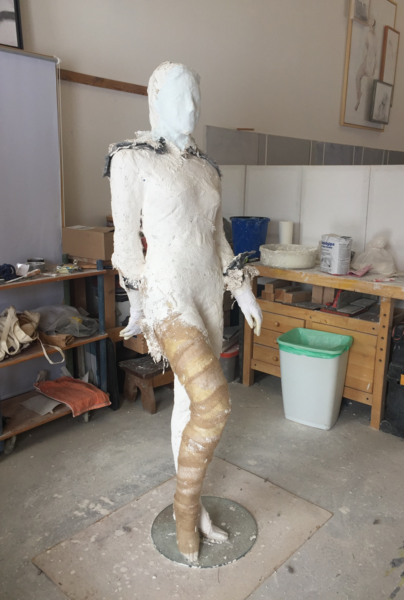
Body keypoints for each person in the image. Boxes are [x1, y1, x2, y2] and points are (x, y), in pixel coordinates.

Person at [105, 62, 262, 562]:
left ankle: (196, 509)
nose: (191, 108)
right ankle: (184, 508)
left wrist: (242, 292)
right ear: (155, 99)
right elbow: (125, 242)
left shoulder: (206, 167)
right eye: (179, 98)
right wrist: (137, 303)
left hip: (208, 293)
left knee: (190, 407)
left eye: (196, 97)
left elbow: (217, 239)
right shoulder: (131, 159)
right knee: (214, 402)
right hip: (169, 297)